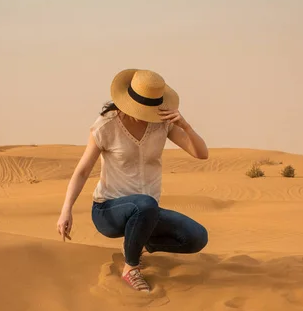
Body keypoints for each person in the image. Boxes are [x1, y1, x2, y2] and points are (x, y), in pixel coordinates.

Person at [57, 69, 209, 292]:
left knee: (197, 237)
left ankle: (139, 243)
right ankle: (131, 268)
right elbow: (82, 172)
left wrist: (185, 126)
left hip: (147, 212)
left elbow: (201, 154)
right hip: (108, 211)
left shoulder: (162, 123)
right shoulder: (105, 126)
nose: (146, 113)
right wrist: (66, 210)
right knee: (145, 204)